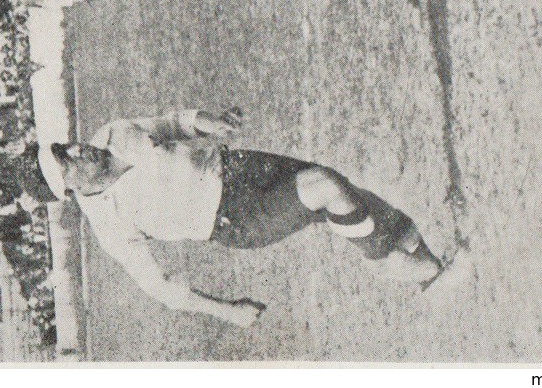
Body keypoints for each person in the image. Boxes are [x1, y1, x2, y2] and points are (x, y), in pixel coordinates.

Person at [32, 108, 443, 326]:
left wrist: (208, 121)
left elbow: (171, 124)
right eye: (68, 161)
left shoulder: (112, 133)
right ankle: (388, 263)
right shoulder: (110, 226)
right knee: (326, 188)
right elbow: (161, 288)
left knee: (345, 191)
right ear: (69, 191)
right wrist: (227, 310)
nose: (79, 150)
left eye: (66, 146)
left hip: (241, 166)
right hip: (235, 218)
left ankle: (424, 258)